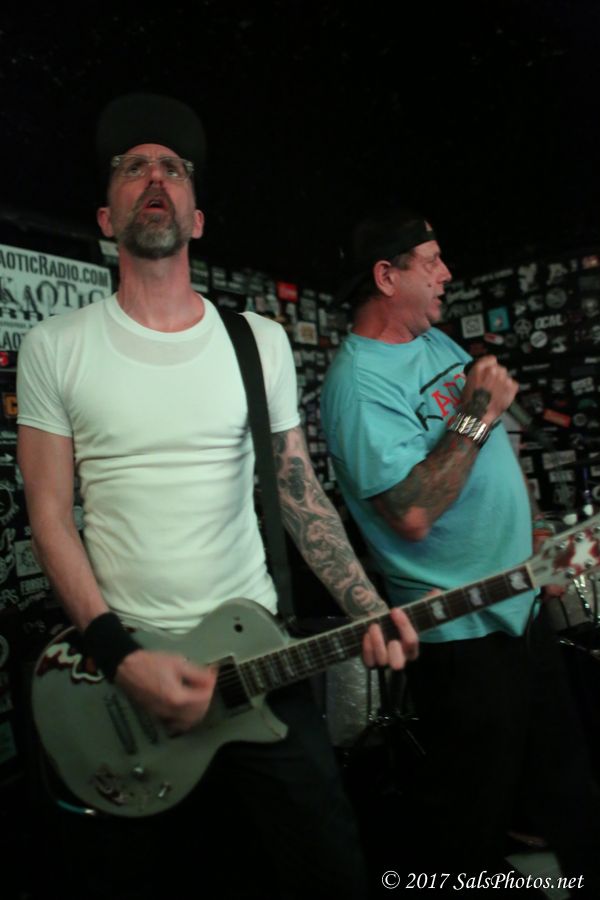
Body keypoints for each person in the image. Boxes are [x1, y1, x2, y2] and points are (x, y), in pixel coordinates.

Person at [16, 96, 418, 900]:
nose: (154, 177)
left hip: (259, 655)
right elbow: (50, 514)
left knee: (329, 873)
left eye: (173, 168)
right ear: (107, 216)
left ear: (196, 219)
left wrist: (366, 604)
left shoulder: (257, 340)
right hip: (131, 667)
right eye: (134, 167)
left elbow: (299, 492)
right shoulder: (55, 346)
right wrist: (120, 657)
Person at [320, 208, 600, 890]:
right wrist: (476, 411)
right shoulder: (357, 385)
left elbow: (496, 451)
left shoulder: (436, 342)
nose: (446, 274)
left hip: (519, 608)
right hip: (460, 633)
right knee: (468, 826)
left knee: (571, 792)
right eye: (431, 261)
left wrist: (536, 542)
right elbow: (413, 511)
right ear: (387, 277)